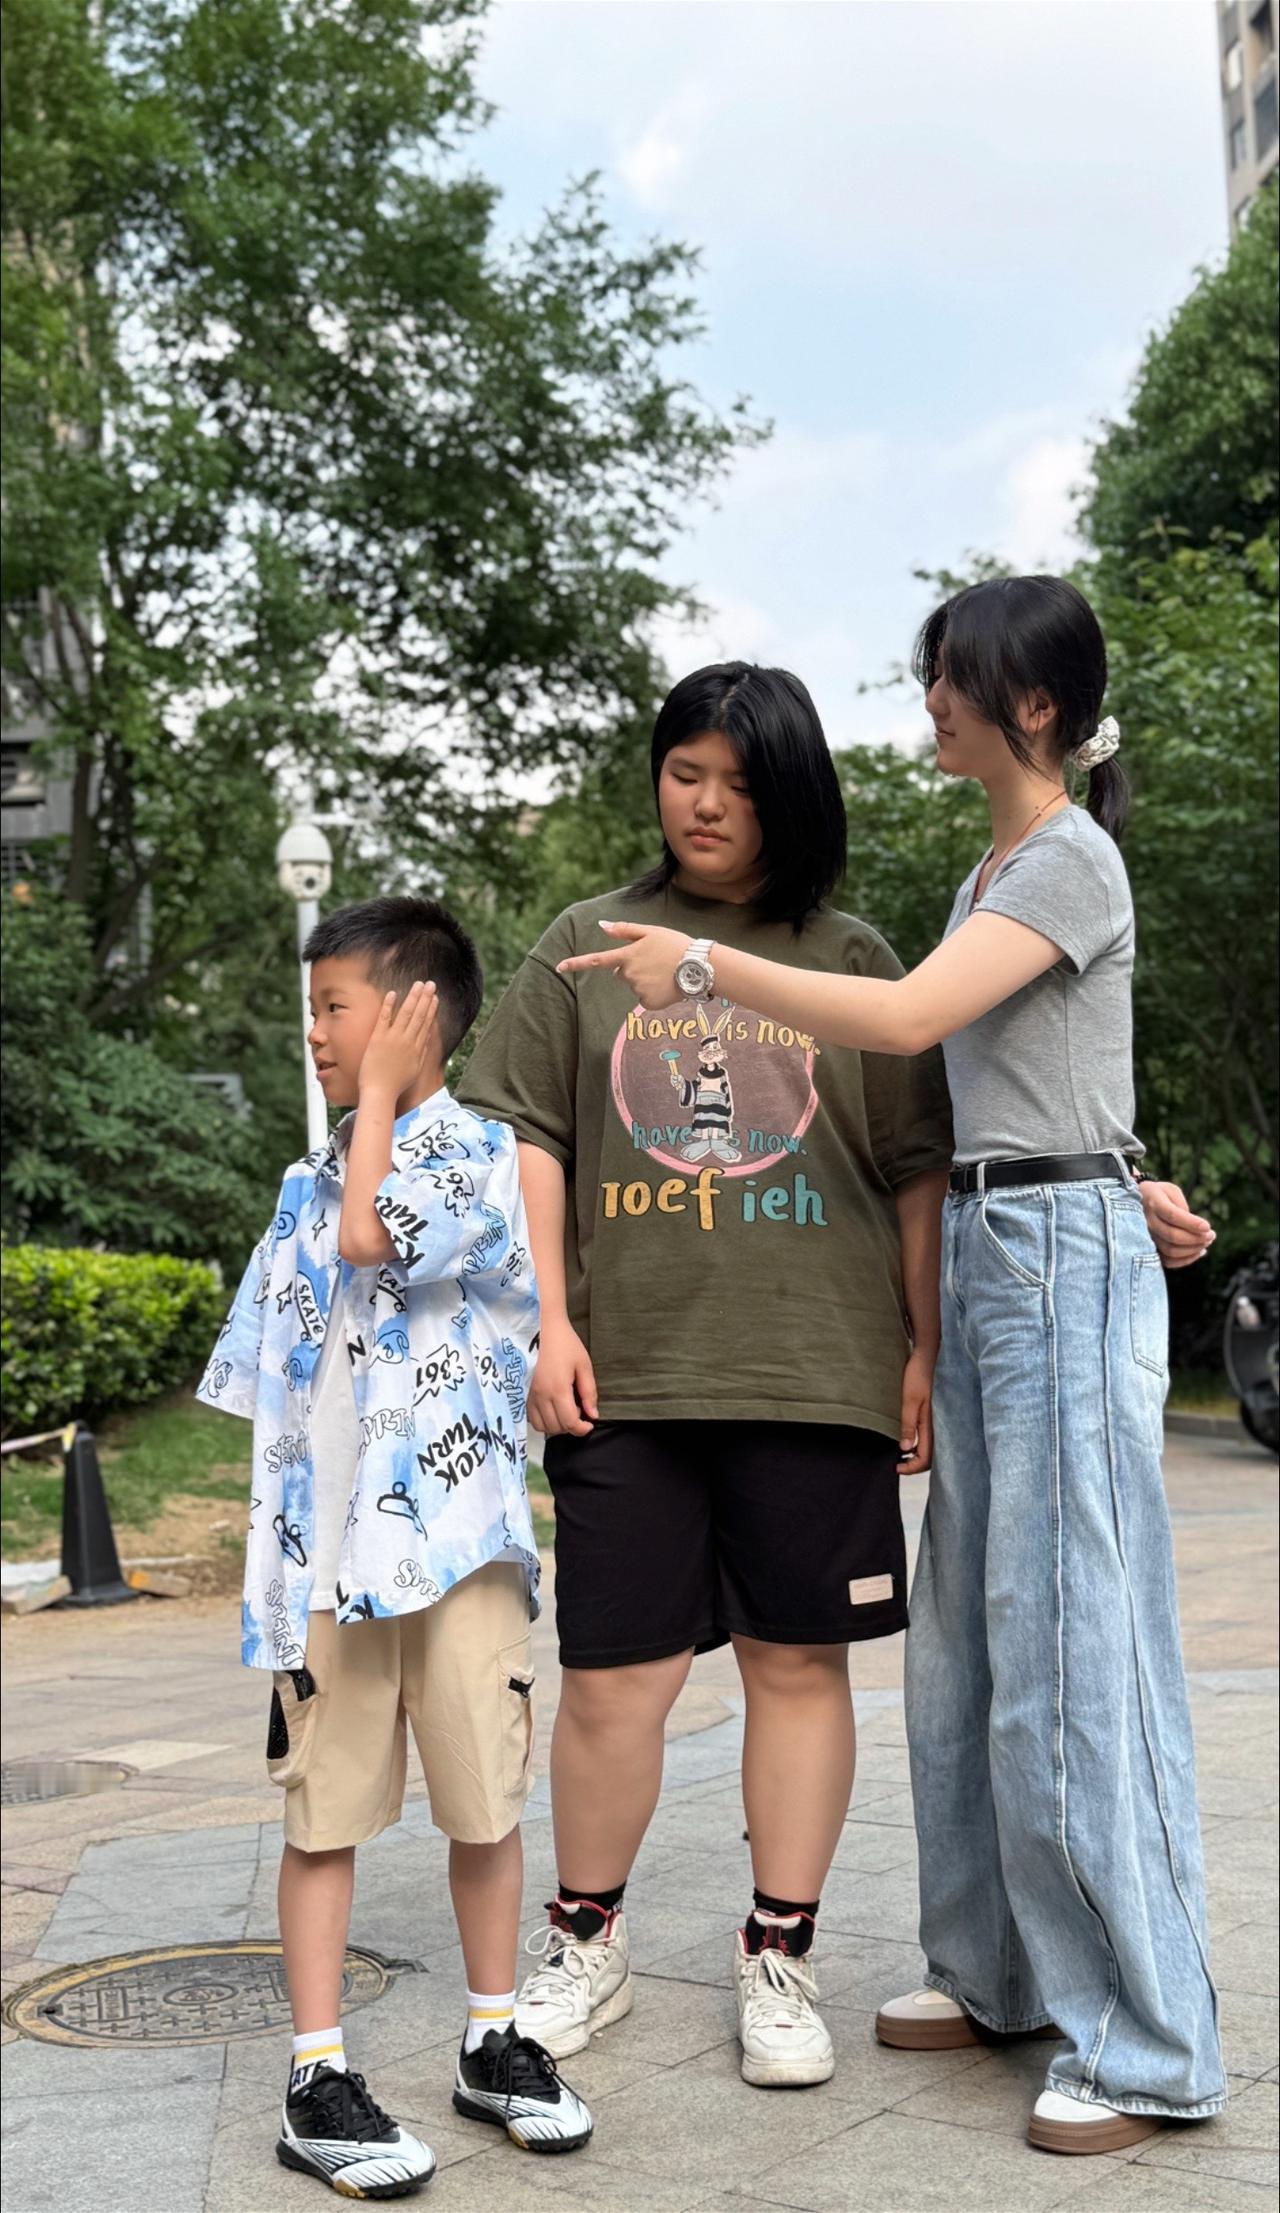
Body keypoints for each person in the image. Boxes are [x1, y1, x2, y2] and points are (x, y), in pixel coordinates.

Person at [558, 579, 1225, 2155]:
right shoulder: (995, 863)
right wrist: (1116, 1173)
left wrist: (706, 971)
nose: (928, 699)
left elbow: (913, 1019)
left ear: (1029, 705)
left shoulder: (1070, 854)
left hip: (1047, 1254)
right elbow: (1036, 1079)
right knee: (972, 1650)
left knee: (1072, 1646)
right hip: (1007, 1237)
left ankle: (1148, 2043)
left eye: (947, 677)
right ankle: (999, 1971)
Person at [457, 661, 957, 2089]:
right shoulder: (586, 941)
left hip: (818, 1366)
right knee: (615, 1676)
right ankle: (587, 1942)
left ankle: (779, 1954)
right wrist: (550, 1322)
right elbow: (531, 1138)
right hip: (630, 1371)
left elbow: (915, 1170)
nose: (708, 804)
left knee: (800, 1663)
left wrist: (921, 1345)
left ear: (789, 795)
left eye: (739, 781)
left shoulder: (851, 957)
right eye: (686, 772)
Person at [198, 895, 592, 2200]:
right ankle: (316, 2074)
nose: (315, 1034)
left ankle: (494, 2037)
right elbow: (267, 1375)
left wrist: (376, 1099)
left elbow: (379, 1237)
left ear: (420, 1016)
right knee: (324, 1814)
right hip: (331, 1564)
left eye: (337, 1008)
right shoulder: (303, 1185)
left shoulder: (484, 1157)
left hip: (462, 1549)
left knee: (487, 1802)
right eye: (310, 1009)